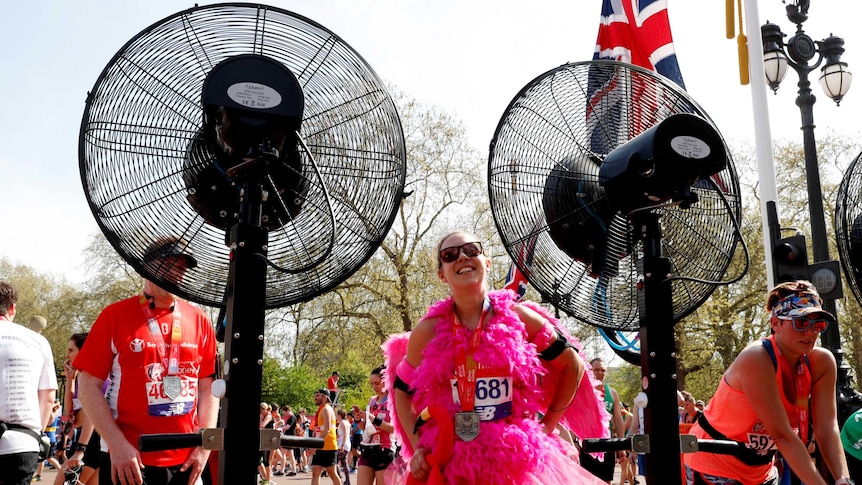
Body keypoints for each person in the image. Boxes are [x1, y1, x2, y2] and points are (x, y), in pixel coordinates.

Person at [386, 231, 608, 484]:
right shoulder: (427, 331)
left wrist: (546, 426)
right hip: (451, 462)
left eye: (471, 250)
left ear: (487, 261)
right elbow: (401, 391)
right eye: (450, 255)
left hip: (517, 462)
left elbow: (573, 365)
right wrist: (419, 447)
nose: (461, 257)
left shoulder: (522, 318)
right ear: (441, 273)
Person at [73, 237, 218, 485]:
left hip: (187, 460)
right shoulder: (114, 316)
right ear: (148, 267)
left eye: (182, 268)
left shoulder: (200, 319)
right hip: (127, 459)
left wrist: (204, 446)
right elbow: (87, 386)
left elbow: (208, 388)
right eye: (169, 265)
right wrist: (117, 445)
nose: (177, 274)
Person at [685, 280, 852, 485]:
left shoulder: (822, 362)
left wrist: (843, 479)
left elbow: (826, 427)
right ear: (775, 324)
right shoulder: (757, 357)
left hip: (760, 469)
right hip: (715, 463)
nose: (811, 332)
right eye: (800, 323)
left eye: (818, 325)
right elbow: (781, 434)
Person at [0, 280, 58, 485]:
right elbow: (48, 398)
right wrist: (38, 434)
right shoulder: (38, 341)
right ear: (12, 308)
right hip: (21, 443)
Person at [53, 333, 102, 485]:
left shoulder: (91, 374)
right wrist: (69, 380)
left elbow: (92, 413)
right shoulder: (81, 375)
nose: (66, 355)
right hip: (89, 438)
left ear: (84, 351)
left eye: (71, 350)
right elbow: (70, 413)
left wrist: (81, 449)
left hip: (92, 440)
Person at [582, 357, 626, 483]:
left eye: (603, 370)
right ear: (590, 371)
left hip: (607, 444)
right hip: (587, 444)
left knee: (606, 481)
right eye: (596, 370)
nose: (600, 373)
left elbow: (618, 420)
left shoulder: (612, 393)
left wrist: (621, 446)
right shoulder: (582, 390)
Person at [352, 366, 395, 485]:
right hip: (367, 448)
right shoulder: (372, 401)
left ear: (385, 381)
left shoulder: (393, 400)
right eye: (372, 383)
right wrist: (358, 420)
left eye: (377, 383)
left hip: (384, 450)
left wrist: (373, 419)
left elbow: (393, 428)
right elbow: (366, 429)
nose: (374, 387)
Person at [311, 389, 341, 485]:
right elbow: (321, 428)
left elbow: (327, 429)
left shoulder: (327, 409)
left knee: (331, 473)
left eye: (318, 395)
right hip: (321, 445)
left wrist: (315, 445)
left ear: (325, 397)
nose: (315, 397)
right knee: (315, 472)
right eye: (315, 395)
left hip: (328, 446)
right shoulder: (321, 409)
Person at [336, 408, 352, 485]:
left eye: (337, 414)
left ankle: (338, 479)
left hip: (343, 444)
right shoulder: (346, 422)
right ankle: (347, 480)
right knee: (344, 463)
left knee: (334, 462)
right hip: (346, 444)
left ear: (339, 415)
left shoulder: (342, 423)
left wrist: (342, 445)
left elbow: (345, 434)